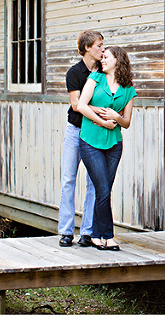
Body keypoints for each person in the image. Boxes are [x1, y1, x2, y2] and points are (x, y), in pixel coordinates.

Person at [77, 46, 137, 251]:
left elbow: (126, 122)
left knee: (104, 191)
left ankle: (95, 235)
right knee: (102, 189)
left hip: (114, 144)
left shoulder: (128, 88)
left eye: (106, 57)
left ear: (118, 61)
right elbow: (81, 105)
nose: (102, 60)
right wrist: (102, 122)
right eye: (102, 57)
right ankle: (108, 236)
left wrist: (116, 117)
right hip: (90, 141)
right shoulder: (95, 78)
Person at [57, 30, 104, 247]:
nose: (103, 49)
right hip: (76, 131)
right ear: (87, 48)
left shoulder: (105, 72)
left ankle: (87, 232)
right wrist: (100, 110)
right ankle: (66, 232)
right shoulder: (74, 72)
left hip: (94, 132)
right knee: (69, 179)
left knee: (94, 183)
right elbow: (76, 105)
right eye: (99, 45)